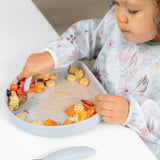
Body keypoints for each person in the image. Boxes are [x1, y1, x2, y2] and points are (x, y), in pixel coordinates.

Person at [18, 0, 160, 159]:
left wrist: (130, 112)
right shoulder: (117, 22)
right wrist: (52, 55)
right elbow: (88, 35)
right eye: (117, 3)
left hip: (132, 148)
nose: (119, 15)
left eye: (132, 11)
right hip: (91, 124)